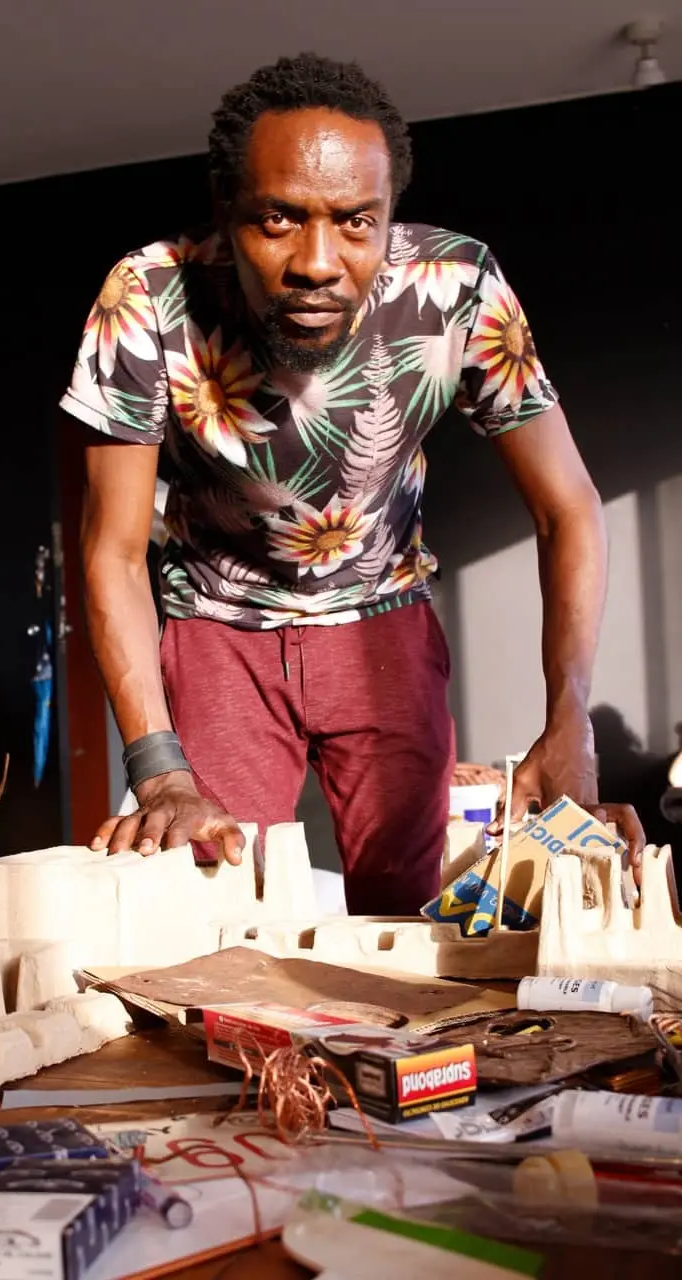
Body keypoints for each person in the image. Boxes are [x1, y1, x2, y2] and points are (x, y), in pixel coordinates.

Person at [59, 52, 644, 914]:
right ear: (227, 212)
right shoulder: (146, 298)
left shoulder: (456, 289)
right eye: (279, 220)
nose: (318, 262)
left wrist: (570, 719)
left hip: (384, 623)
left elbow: (568, 507)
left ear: (390, 220)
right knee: (216, 904)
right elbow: (109, 550)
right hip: (219, 625)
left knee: (404, 914)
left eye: (356, 222)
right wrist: (158, 768)